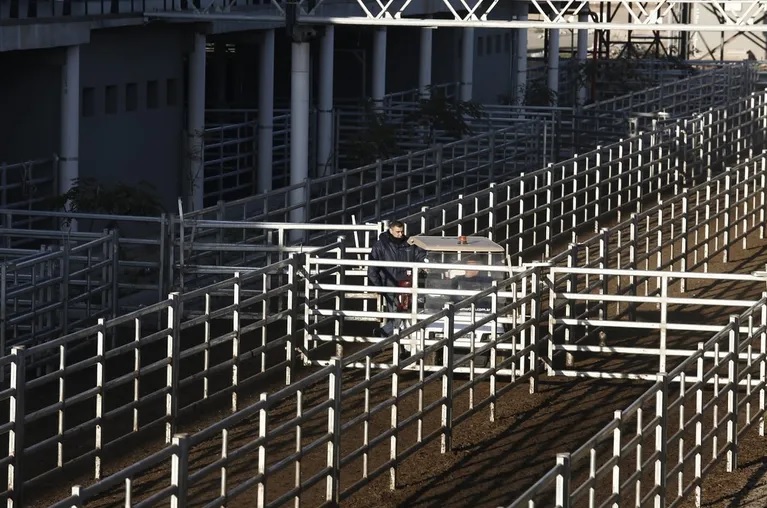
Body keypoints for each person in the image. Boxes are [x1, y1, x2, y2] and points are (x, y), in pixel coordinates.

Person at [367, 220, 426, 339]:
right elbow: (372, 268)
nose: (400, 234)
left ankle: (387, 336)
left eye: (402, 232)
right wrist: (379, 286)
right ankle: (387, 335)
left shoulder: (408, 243)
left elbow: (421, 256)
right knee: (400, 314)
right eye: (398, 232)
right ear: (391, 230)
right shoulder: (381, 245)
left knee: (400, 314)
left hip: (406, 284)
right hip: (391, 285)